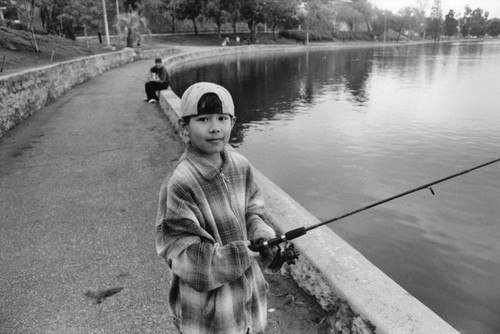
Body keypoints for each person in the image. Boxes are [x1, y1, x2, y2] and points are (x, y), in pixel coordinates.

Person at [155, 82, 284, 334]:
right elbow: (181, 252)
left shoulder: (240, 165)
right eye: (203, 119)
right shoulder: (180, 183)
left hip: (248, 300)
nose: (214, 127)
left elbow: (252, 212)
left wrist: (265, 238)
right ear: (184, 126)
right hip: (209, 315)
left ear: (232, 122)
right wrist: (235, 256)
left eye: (222, 118)